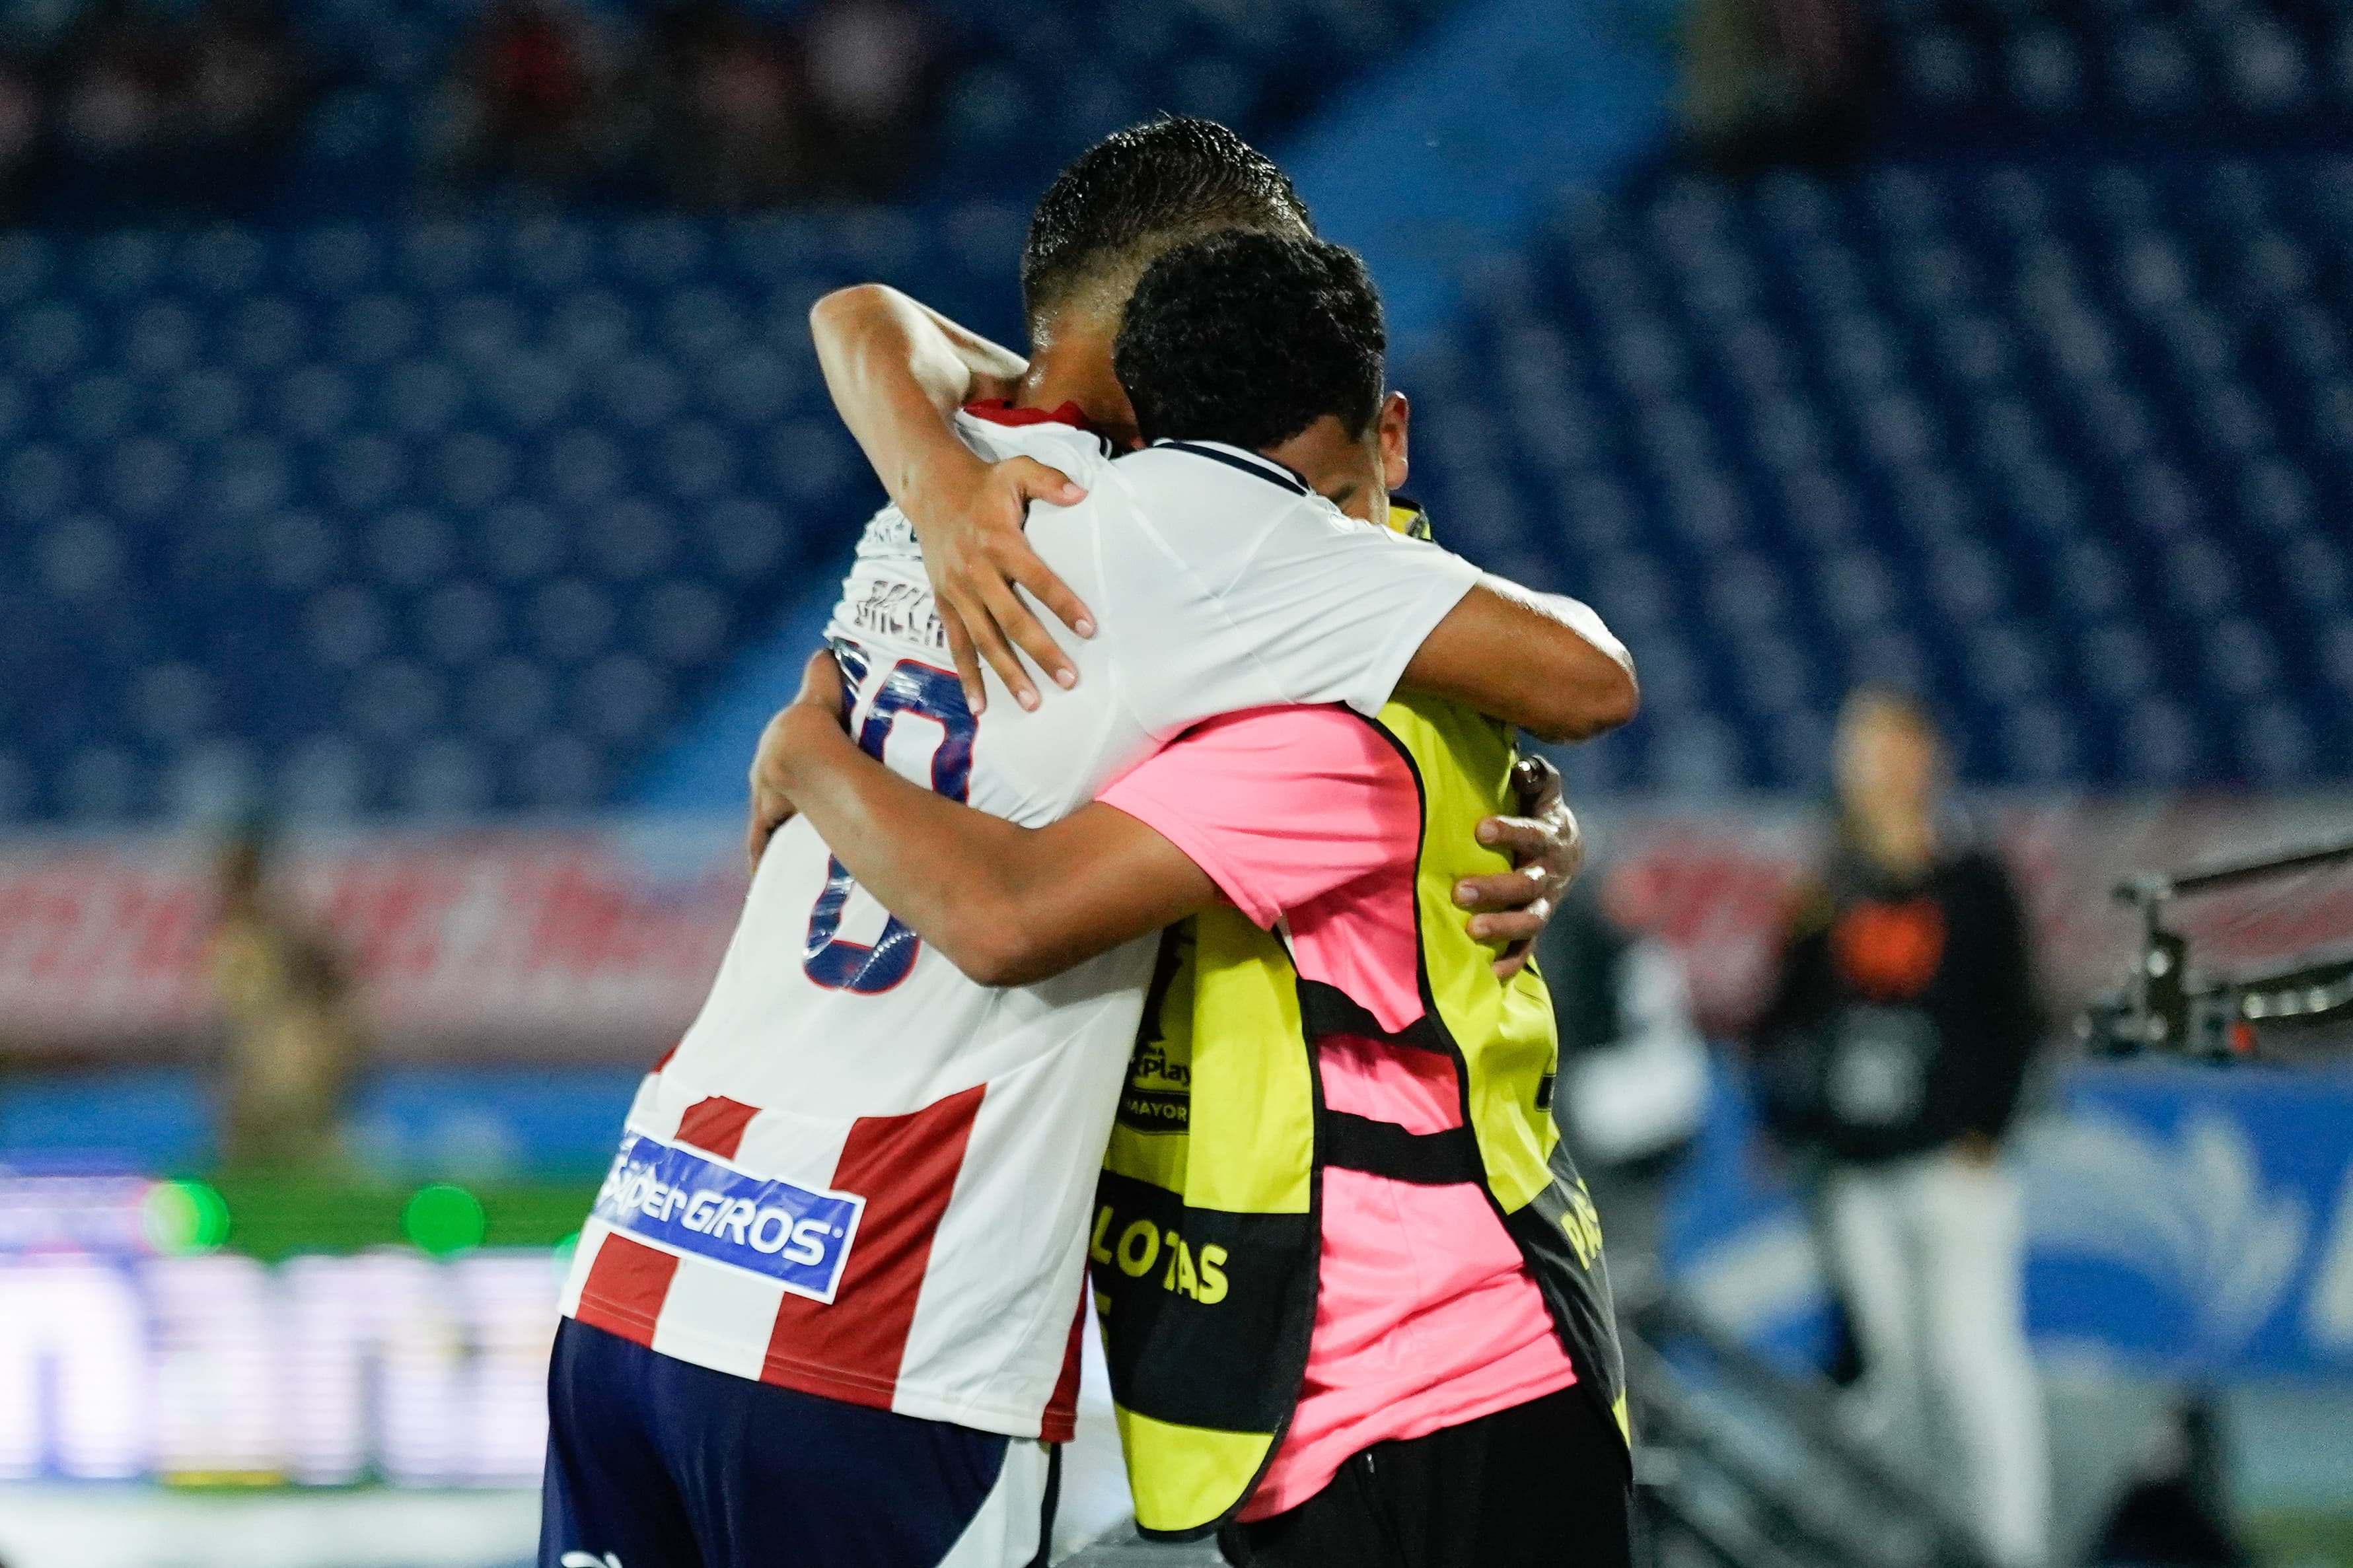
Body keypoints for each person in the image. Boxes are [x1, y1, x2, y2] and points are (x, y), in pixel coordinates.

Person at [542, 118, 1633, 1568]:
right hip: (879, 1306)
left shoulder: (934, 484)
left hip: (650, 1243)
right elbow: (1582, 671)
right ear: (1179, 306)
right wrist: (1476, 767)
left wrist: (915, 507)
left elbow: (859, 315)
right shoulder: (1193, 518)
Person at [1752, 686, 2048, 1568]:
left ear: (1924, 760)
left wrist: (1986, 1128)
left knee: (1971, 1358)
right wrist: (1788, 1119)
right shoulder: (1829, 884)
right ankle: (1893, 1538)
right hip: (1853, 1166)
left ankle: (2012, 1543)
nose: (1864, 769)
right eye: (1856, 751)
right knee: (1890, 1370)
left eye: (1880, 749)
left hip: (1949, 1163)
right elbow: (1784, 1011)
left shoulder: (1972, 880)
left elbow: (2017, 1012)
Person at [210, 828, 365, 1168]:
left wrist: (328, 1041)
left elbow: (332, 979)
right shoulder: (238, 930)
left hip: (285, 1056)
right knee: (254, 1160)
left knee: (303, 1155)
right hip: (257, 1058)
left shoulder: (279, 929)